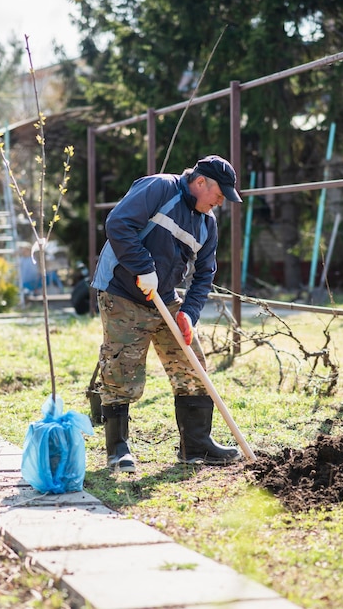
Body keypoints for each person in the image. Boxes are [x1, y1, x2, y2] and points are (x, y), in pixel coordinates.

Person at [91, 154, 243, 473]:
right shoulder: (160, 188)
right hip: (122, 290)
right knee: (122, 368)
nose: (220, 202)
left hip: (165, 297)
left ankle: (196, 445)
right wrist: (143, 267)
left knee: (191, 364)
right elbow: (118, 224)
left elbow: (204, 275)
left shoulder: (207, 225)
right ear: (200, 182)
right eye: (218, 194)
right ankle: (118, 449)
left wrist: (188, 312)